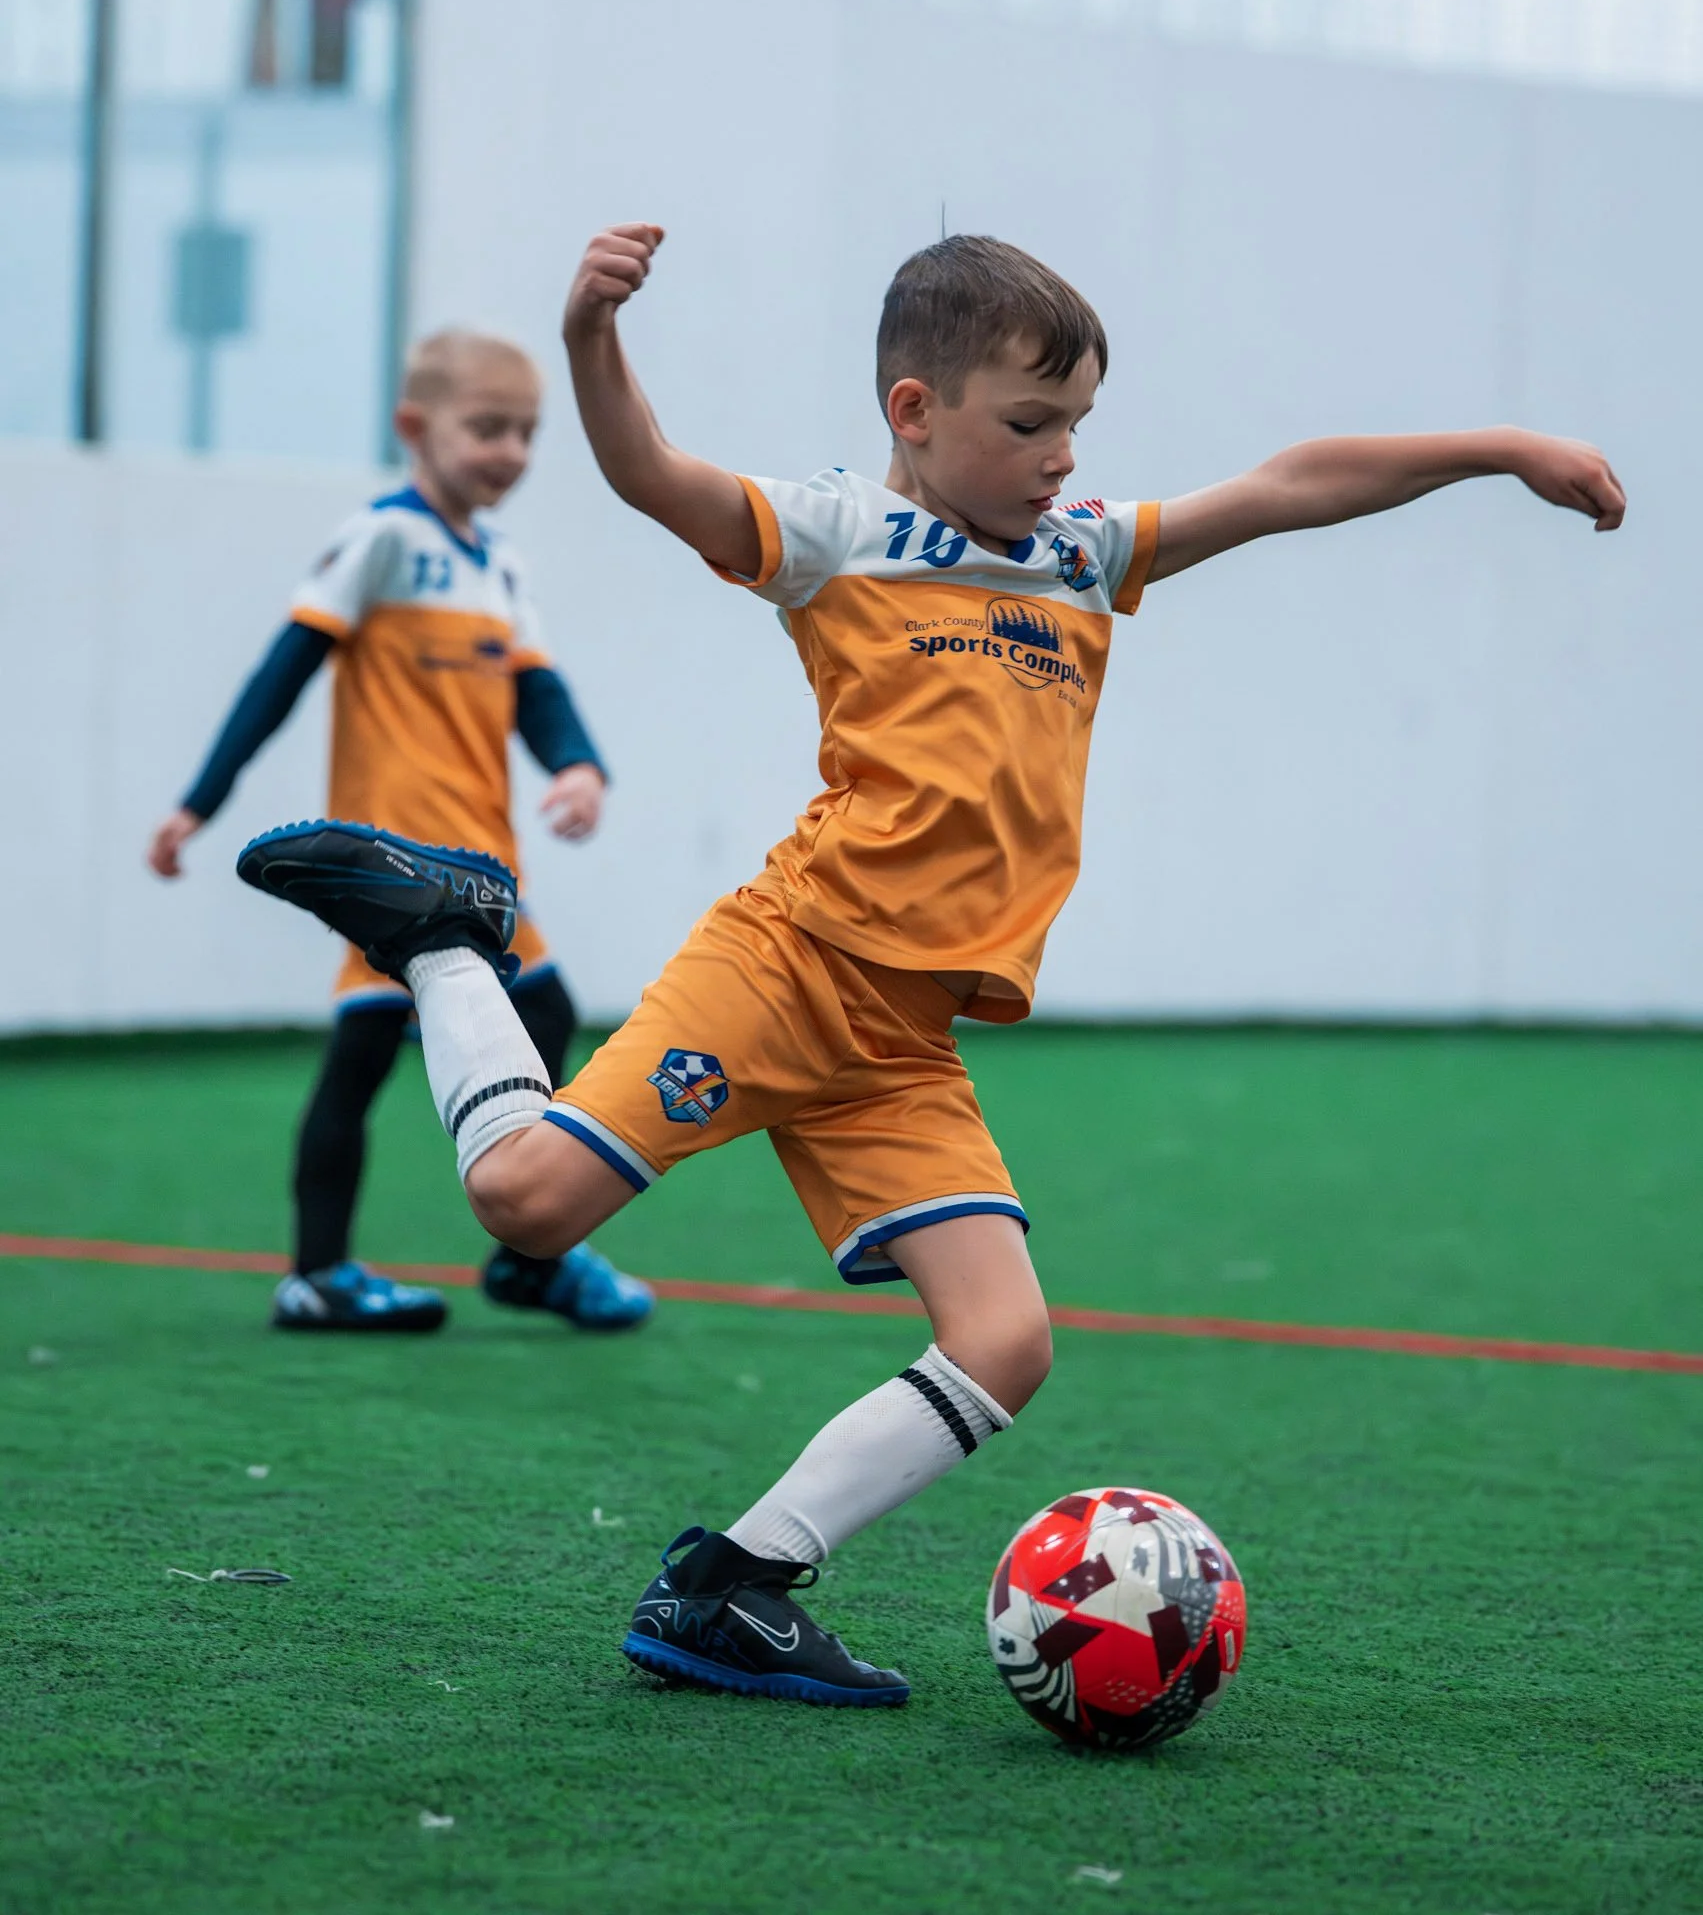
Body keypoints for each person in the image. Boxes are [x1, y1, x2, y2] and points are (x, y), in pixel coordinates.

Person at [235, 228, 1624, 1701]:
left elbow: (1289, 485)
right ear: (913, 409)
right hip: (787, 967)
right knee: (521, 1205)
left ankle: (733, 1586)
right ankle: (446, 941)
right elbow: (651, 474)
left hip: (900, 1044)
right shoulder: (837, 535)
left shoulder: (1085, 555)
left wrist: (1502, 449)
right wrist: (590, 337)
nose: (1058, 455)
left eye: (1076, 422)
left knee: (1005, 1340)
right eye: (1028, 422)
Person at [147, 328, 654, 1337]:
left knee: (546, 1017)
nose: (510, 450)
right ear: (415, 429)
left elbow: (539, 692)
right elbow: (278, 674)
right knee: (366, 1053)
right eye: (486, 428)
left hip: (480, 868)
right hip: (383, 872)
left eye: (525, 432)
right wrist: (197, 803)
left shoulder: (499, 565)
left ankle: (526, 1259)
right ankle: (320, 1271)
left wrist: (580, 766)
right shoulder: (379, 538)